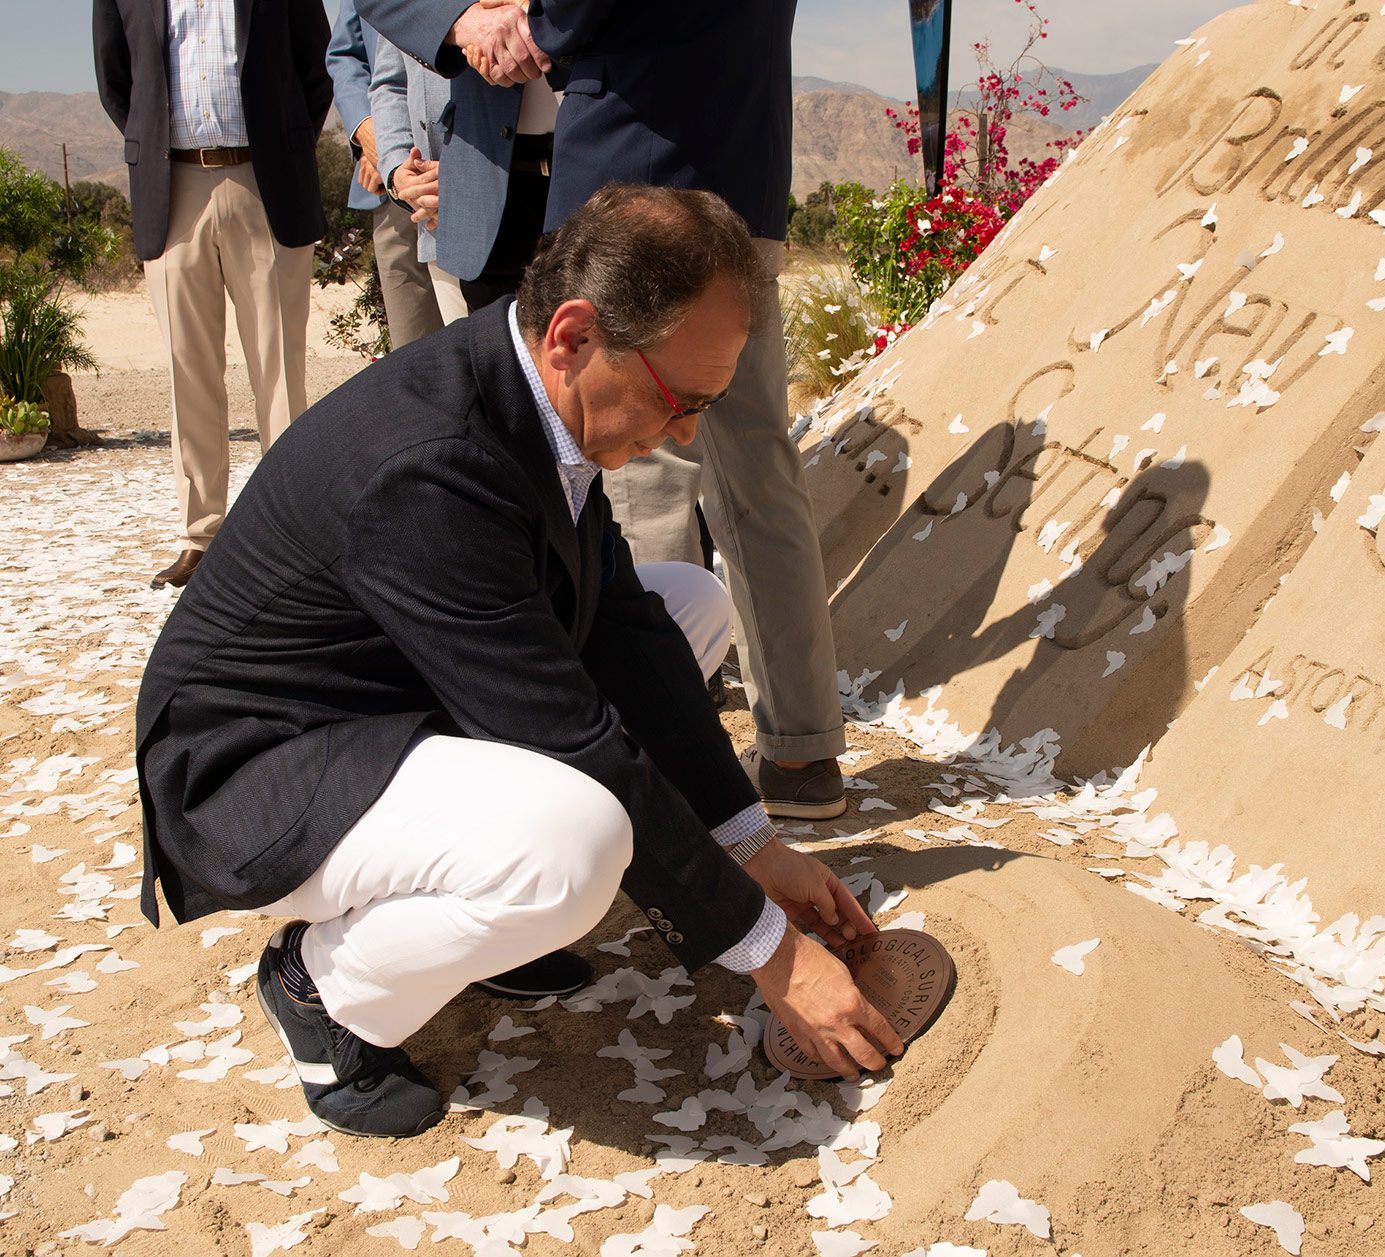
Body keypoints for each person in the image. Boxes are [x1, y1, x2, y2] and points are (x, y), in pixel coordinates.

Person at [133, 185, 902, 1138]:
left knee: (688, 604)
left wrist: (754, 845)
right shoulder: (429, 461)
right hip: (257, 768)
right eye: (678, 399)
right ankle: (324, 992)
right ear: (573, 336)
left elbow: (622, 628)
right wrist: (773, 954)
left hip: (395, 698)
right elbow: (573, 738)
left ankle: (471, 933)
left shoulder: (528, 392)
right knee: (570, 848)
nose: (690, 434)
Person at [373, 0, 852, 819]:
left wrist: (527, 27)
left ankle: (678, 769)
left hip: (639, 174)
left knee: (644, 469)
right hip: (744, 160)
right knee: (760, 477)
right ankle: (803, 752)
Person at [92, 0, 331, 589]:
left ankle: (291, 534)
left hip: (264, 180)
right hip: (172, 188)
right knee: (187, 373)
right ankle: (203, 536)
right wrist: (151, 143)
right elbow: (115, 80)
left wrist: (284, 140)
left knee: (280, 373)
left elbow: (316, 66)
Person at [357, 0, 560, 312]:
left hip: (588, 175)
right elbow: (392, 80)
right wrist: (397, 168)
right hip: (459, 202)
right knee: (487, 357)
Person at [326, 4, 444, 350]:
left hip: (477, 176)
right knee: (414, 352)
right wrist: (368, 133)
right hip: (392, 189)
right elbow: (345, 55)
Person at [367, 31, 467, 326]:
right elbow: (391, 83)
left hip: (542, 193)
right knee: (473, 362)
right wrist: (399, 170)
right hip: (439, 216)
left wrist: (465, 175)